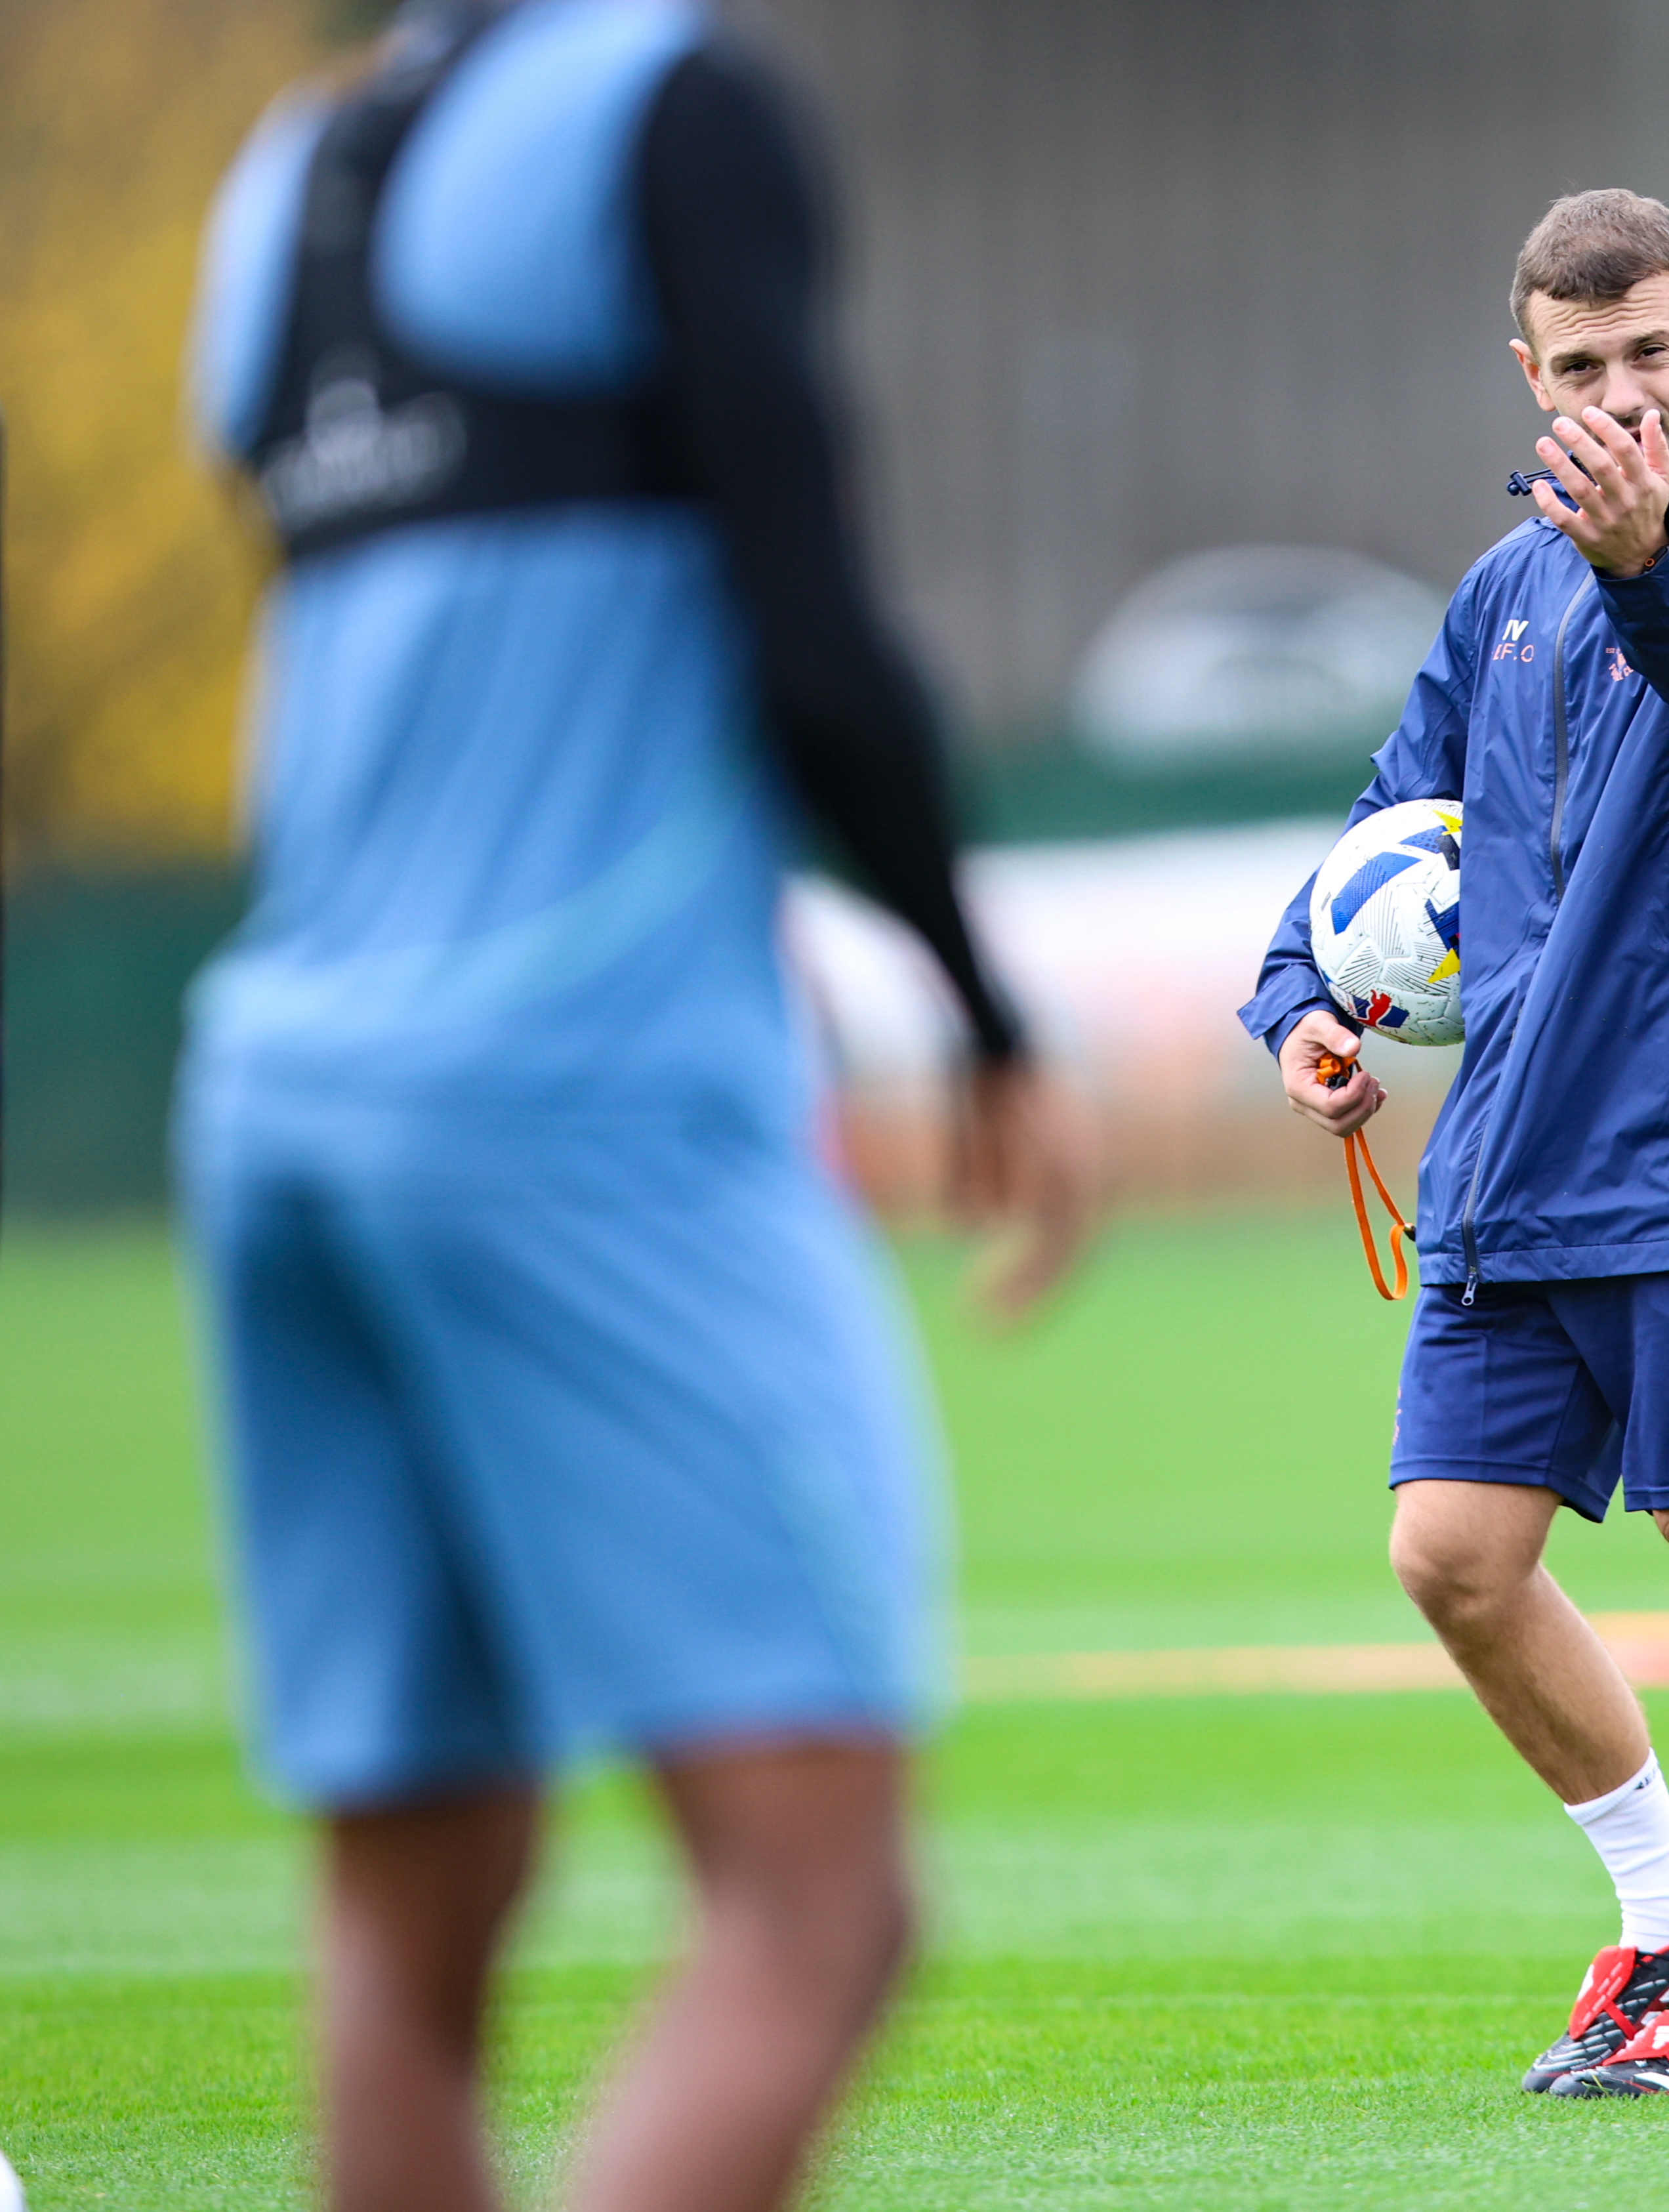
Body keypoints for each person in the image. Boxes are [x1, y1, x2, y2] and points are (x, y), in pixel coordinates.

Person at [178, 4, 1102, 2206]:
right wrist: (981, 1005)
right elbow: (812, 629)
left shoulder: (287, 178)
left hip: (280, 1094)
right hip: (573, 1091)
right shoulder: (674, 105)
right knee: (817, 1903)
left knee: (409, 1920)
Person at [1239, 190, 1669, 2098]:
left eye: (1651, 354)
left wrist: (1645, 557)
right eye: (1581, 365)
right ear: (1531, 373)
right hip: (1517, 1156)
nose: (1621, 396)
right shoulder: (1502, 591)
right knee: (1451, 1555)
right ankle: (1661, 1919)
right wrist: (1303, 1002)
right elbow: (1386, 823)